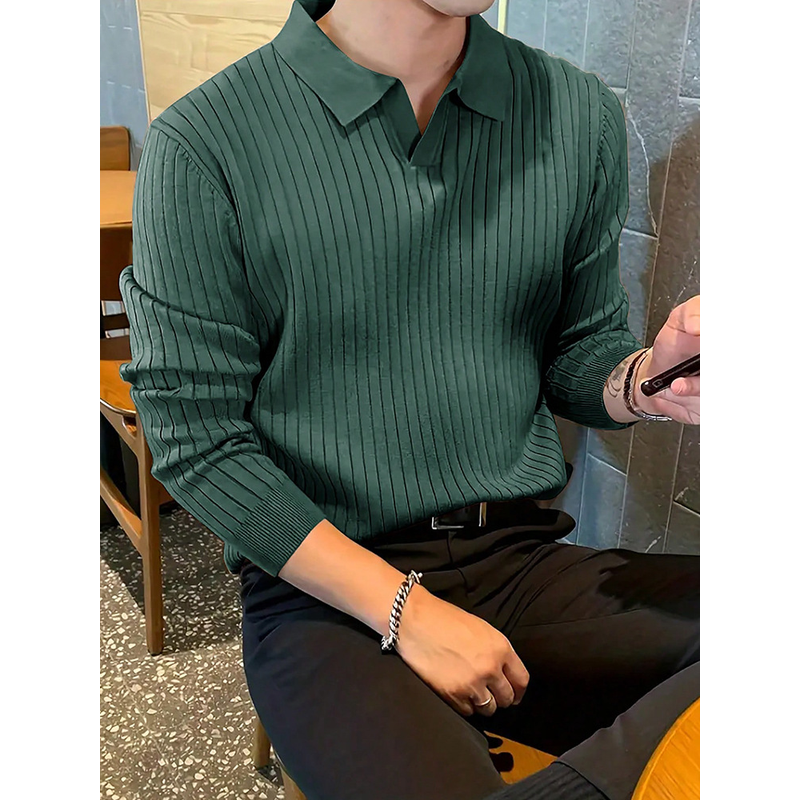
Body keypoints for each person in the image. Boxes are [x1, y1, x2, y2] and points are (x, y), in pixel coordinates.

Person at [119, 1, 700, 798]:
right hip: (324, 593)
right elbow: (197, 439)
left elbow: (578, 353)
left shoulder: (577, 113)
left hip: (518, 558)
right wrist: (405, 610)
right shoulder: (206, 140)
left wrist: (649, 381)